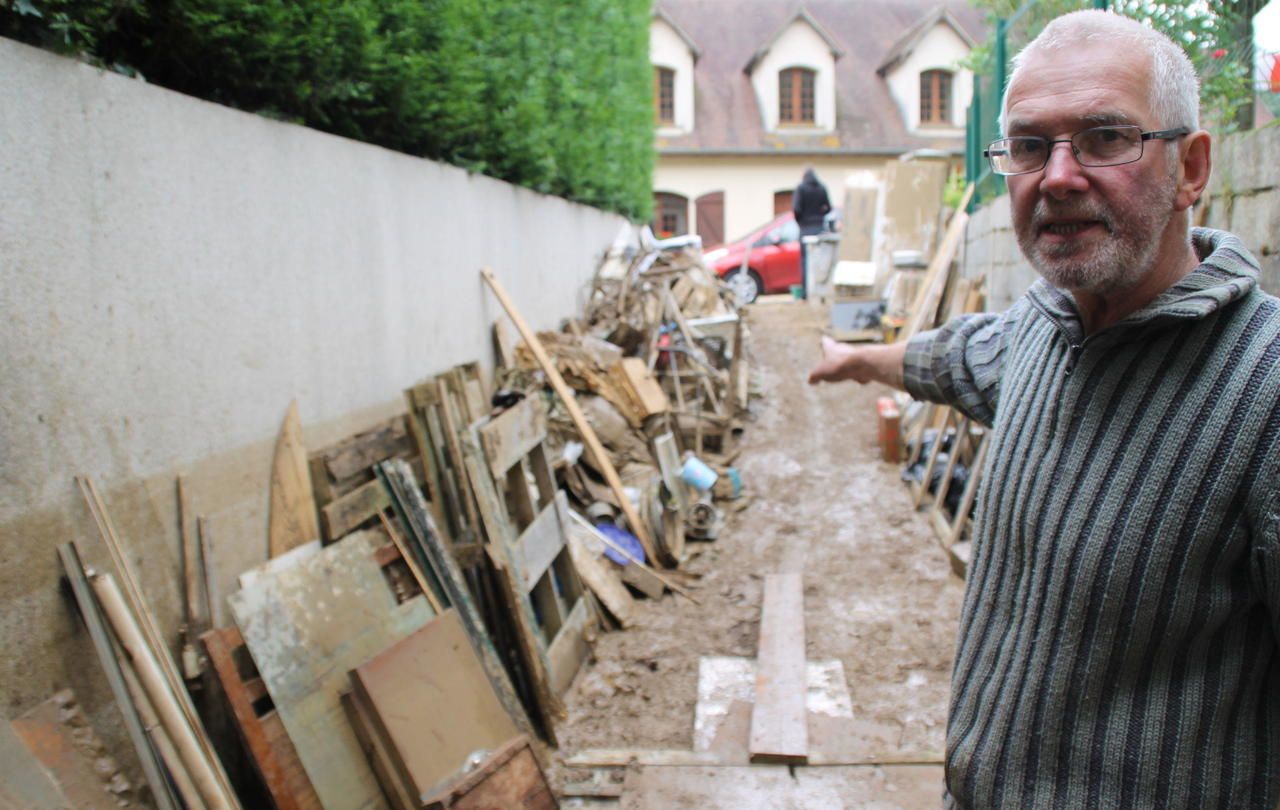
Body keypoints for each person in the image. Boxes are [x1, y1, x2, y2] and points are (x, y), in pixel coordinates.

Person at [809, 10, 1280, 809]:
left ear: (1191, 167)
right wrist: (861, 360)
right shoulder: (1045, 326)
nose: (1057, 176)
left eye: (1105, 138)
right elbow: (955, 357)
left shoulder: (1265, 396)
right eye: (1029, 146)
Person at [793, 167, 831, 296]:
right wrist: (820, 215)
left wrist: (801, 222)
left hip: (805, 228)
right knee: (820, 260)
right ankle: (820, 290)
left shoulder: (801, 188)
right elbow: (828, 207)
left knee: (805, 260)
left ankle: (806, 292)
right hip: (820, 228)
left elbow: (796, 209)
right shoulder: (821, 188)